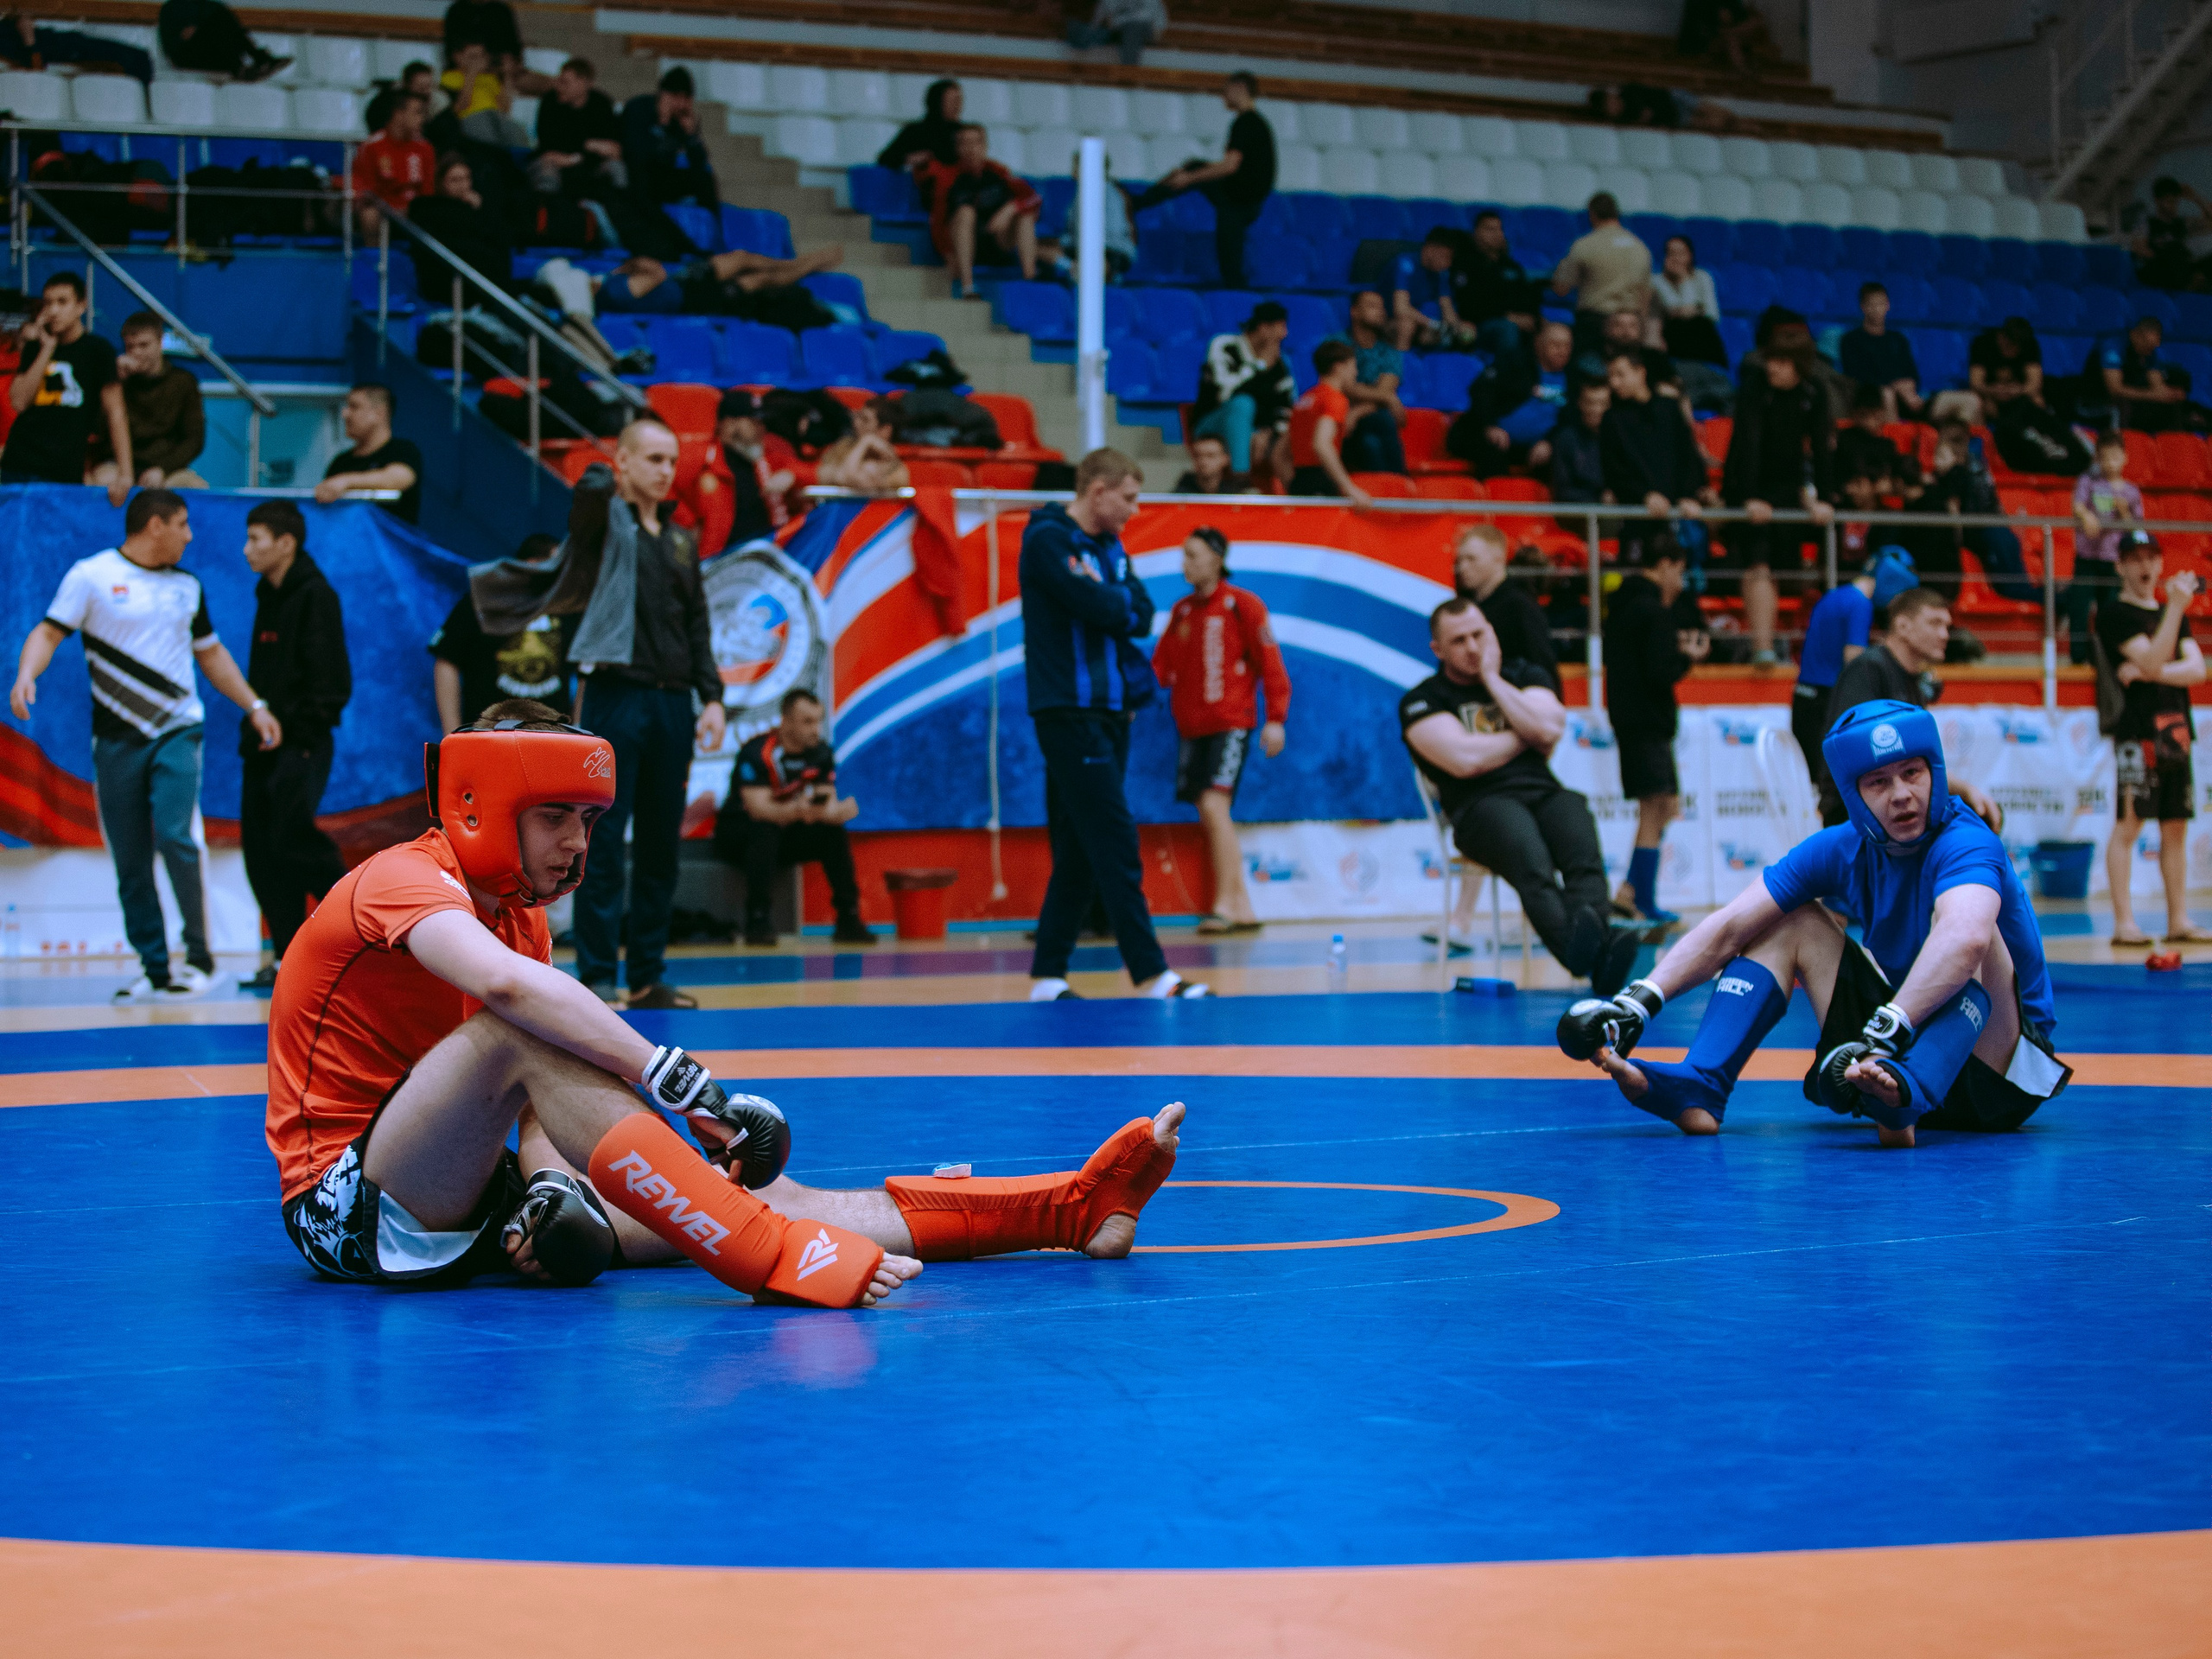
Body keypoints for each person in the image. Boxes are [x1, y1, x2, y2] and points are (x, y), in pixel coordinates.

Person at [267, 699, 1189, 1300]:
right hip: (343, 1207)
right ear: (475, 805)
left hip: (461, 1193)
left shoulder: (523, 923)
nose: (575, 845)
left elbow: (541, 1082)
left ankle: (1066, 1209)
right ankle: (770, 1263)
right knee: (533, 1025)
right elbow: (514, 1011)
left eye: (586, 820)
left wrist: (551, 1185)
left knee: (772, 1191)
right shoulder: (399, 882)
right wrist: (675, 1082)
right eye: (552, 816)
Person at [1558, 699, 2067, 1145]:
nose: (1901, 795)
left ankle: (1904, 1092)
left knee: (1977, 937)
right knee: (1790, 919)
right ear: (1854, 795)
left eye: (1912, 773)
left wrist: (1886, 1029)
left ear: (1935, 772)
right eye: (1878, 782)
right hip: (1886, 1053)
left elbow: (1966, 935)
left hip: (1996, 1072)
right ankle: (1702, 1083)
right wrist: (1638, 1003)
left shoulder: (1967, 840)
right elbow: (1732, 925)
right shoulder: (1841, 849)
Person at [474, 423, 726, 1009]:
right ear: (628, 464)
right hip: (614, 692)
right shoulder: (606, 525)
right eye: (653, 459)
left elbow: (697, 626)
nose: (666, 470)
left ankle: (647, 973)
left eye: (672, 460)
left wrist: (710, 695)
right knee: (599, 837)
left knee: (662, 840)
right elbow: (585, 507)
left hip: (671, 700)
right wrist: (595, 480)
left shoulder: (683, 541)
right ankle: (597, 972)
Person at [10, 491, 280, 1001]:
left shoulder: (188, 587)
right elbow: (47, 633)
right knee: (129, 856)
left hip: (178, 730)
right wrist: (27, 674)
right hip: (115, 738)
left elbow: (212, 654)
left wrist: (255, 705)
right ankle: (155, 968)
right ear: (155, 525)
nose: (190, 535)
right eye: (182, 524)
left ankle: (199, 958)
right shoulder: (90, 576)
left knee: (177, 834)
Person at [1023, 449, 1208, 1002]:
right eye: (1127, 497)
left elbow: (1139, 610)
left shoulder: (1109, 547)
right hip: (1068, 712)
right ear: (1097, 490)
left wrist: (1111, 603)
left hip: (1109, 710)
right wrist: (1111, 603)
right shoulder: (1047, 540)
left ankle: (1047, 975)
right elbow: (1099, 606)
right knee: (1114, 836)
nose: (1133, 508)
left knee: (1082, 845)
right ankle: (1151, 972)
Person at [1402, 598, 1637, 994]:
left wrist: (1494, 681)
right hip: (1479, 807)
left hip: (1543, 793)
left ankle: (1591, 955)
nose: (1473, 648)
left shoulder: (1522, 674)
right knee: (1530, 856)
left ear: (1492, 632)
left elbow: (1548, 729)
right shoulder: (1422, 700)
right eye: (1459, 641)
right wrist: (1526, 733)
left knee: (1576, 820)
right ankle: (1588, 955)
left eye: (1479, 635)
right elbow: (1465, 761)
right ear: (1437, 650)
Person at [234, 500, 351, 992]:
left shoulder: (315, 595)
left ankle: (354, 927)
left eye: (256, 539)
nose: (247, 550)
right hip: (261, 744)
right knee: (260, 849)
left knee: (293, 838)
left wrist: (300, 732)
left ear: (287, 543)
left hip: (301, 742)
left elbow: (332, 681)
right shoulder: (269, 594)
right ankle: (286, 955)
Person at [1152, 526, 1290, 935]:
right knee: (1209, 810)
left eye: (1193, 555)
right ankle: (1241, 905)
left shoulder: (1242, 605)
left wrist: (1276, 719)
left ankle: (1228, 904)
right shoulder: (1182, 612)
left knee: (1214, 805)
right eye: (1183, 556)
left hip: (1231, 723)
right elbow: (1161, 665)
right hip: (1192, 727)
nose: (1185, 564)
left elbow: (1271, 664)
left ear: (1216, 558)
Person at [2097, 534, 2208, 947]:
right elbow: (2156, 657)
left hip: (2175, 729)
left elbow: (2196, 670)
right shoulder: (2114, 614)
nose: (2143, 566)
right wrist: (2176, 610)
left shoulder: (2170, 614)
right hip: (2136, 732)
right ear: (2120, 566)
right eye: (2133, 558)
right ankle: (2125, 922)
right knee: (2128, 824)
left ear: (2160, 564)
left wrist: (2148, 670)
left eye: (2150, 557)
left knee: (2175, 826)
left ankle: (2178, 918)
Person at [1821, 586, 2002, 834]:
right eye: (1934, 623)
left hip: (1894, 810)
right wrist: (1962, 789)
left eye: (1947, 626)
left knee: (1978, 820)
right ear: (1903, 626)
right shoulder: (1868, 669)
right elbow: (1865, 753)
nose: (1944, 635)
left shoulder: (1913, 679)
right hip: (1856, 819)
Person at [714, 688, 873, 947]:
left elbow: (825, 802)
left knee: (832, 833)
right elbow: (759, 809)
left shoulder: (820, 753)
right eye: (807, 722)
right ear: (785, 722)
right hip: (739, 835)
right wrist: (802, 811)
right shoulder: (757, 752)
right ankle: (758, 920)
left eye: (818, 721)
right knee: (765, 829)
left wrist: (839, 812)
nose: (815, 729)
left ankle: (848, 918)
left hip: (784, 832)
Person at [1604, 535, 1707, 925]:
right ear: (1663, 565)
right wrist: (1688, 658)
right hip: (1647, 721)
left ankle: (1630, 892)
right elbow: (1661, 672)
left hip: (1632, 720)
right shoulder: (1654, 612)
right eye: (1679, 572)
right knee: (1656, 808)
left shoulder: (1621, 607)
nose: (1680, 584)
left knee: (1664, 806)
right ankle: (1640, 899)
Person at [1720, 345, 1834, 665]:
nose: (1773, 367)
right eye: (1772, 359)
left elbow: (1821, 447)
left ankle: (1801, 647)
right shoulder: (1755, 390)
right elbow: (1746, 444)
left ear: (1798, 366)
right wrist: (1747, 496)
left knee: (1791, 572)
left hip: (1788, 490)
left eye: (1782, 360)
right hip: (1750, 487)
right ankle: (1763, 648)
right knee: (1758, 565)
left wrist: (1823, 497)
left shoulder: (1813, 393)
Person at [1792, 547, 1918, 802]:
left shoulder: (1834, 595)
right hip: (1825, 702)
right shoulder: (1860, 604)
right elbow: (1855, 661)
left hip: (1804, 696)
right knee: (1832, 790)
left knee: (1814, 787)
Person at [1137, 72, 1274, 289]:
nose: (1223, 96)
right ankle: (1139, 202)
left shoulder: (1246, 123)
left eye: (1226, 90)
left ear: (1239, 88)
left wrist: (1188, 178)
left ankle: (1137, 203)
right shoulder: (1256, 123)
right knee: (1230, 264)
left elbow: (1230, 165)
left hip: (1237, 202)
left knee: (1230, 267)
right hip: (1241, 200)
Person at [3, 271, 130, 506]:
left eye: (62, 302)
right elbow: (19, 402)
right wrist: (46, 350)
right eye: (48, 303)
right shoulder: (35, 348)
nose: (53, 310)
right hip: (18, 463)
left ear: (81, 306)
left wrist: (125, 473)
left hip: (63, 468)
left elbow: (116, 413)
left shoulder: (98, 351)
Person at [430, 533, 569, 733]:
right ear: (529, 564)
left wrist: (579, 725)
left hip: (552, 736)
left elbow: (586, 668)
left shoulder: (566, 605)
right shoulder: (481, 601)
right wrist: (451, 732)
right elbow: (446, 659)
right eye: (553, 566)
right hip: (487, 733)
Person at [1599, 346, 1707, 565]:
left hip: (1678, 516)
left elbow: (1688, 456)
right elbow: (1614, 471)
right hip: (1637, 518)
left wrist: (1689, 495)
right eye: (1611, 376)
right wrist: (1644, 496)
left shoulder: (1669, 408)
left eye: (1621, 374)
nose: (1614, 383)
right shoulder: (1611, 419)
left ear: (1640, 372)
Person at [669, 389, 796, 559]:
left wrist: (792, 474)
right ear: (728, 423)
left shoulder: (768, 456)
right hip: (716, 564)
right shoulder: (700, 457)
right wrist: (687, 523)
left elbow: (818, 472)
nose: (761, 428)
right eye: (753, 421)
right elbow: (662, 487)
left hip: (764, 563)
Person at [92, 312, 205, 492]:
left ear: (160, 342)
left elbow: (194, 439)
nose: (137, 352)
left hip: (168, 468)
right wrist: (115, 382)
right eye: (130, 346)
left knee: (194, 487)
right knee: (101, 482)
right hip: (119, 464)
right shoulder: (116, 382)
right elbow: (97, 430)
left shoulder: (183, 382)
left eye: (144, 345)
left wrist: (163, 468)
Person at [1448, 319, 1573, 480]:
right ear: (1538, 344)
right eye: (1555, 345)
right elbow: (1481, 390)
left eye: (1567, 346)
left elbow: (1572, 419)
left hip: (1538, 448)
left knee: (1563, 457)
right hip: (1493, 438)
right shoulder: (1515, 363)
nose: (1562, 351)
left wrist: (1550, 442)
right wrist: (1490, 425)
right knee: (1492, 451)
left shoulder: (1574, 378)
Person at [928, 124, 1041, 296]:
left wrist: (1010, 209)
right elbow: (937, 221)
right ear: (957, 148)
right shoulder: (947, 179)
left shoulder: (998, 173)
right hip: (964, 245)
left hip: (998, 239)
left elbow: (1034, 198)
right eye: (965, 143)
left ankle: (1031, 281)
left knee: (1023, 216)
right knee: (966, 212)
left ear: (985, 146)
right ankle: (968, 287)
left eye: (976, 143)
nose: (971, 149)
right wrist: (947, 253)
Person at [1192, 300, 1294, 477]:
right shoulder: (1224, 345)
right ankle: (1241, 478)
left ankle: (1299, 492)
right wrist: (1259, 366)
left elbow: (1285, 405)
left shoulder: (1280, 363)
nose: (1285, 335)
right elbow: (1225, 394)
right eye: (1281, 328)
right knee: (1242, 404)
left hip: (1259, 431)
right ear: (1263, 328)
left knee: (1292, 428)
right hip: (1212, 423)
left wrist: (1268, 431)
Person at [2068, 430, 2142, 664]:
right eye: (2105, 458)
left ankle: (2107, 655)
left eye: (2115, 457)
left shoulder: (2131, 491)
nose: (2110, 463)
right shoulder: (2088, 482)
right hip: (2087, 557)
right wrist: (2087, 515)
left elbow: (2137, 528)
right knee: (2079, 607)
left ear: (2125, 458)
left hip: (2113, 560)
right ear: (2098, 458)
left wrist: (2124, 513)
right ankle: (2078, 656)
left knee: (2109, 610)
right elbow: (2077, 506)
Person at [1550, 193, 1650, 356]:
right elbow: (1645, 295)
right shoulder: (1640, 248)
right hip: (1631, 325)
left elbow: (1561, 289)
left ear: (1592, 214)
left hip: (1594, 324)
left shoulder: (1584, 245)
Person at [1453, 521, 1556, 676]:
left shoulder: (1520, 607)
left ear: (1498, 558)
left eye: (1471, 559)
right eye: (1460, 560)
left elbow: (1544, 669)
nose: (1462, 567)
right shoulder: (1470, 605)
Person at [408, 152, 513, 302]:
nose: (463, 185)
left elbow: (500, 238)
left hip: (485, 280)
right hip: (447, 280)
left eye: (466, 178)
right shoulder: (426, 209)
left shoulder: (479, 209)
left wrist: (480, 210)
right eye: (455, 180)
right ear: (441, 182)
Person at [1323, 290, 1408, 474]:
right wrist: (1389, 398)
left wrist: (1356, 412)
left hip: (1364, 422)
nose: (1381, 312)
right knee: (1381, 422)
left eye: (1382, 307)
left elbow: (1384, 391)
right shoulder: (1337, 344)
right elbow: (1342, 385)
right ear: (1355, 311)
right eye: (1372, 306)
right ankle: (1399, 487)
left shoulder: (1389, 351)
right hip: (1337, 422)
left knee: (1372, 441)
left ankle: (1393, 490)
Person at [315, 383, 423, 524]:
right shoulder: (341, 462)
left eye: (354, 407)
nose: (345, 414)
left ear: (379, 413)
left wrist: (346, 481)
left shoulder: (403, 450)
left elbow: (400, 477)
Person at [621, 67, 717, 216]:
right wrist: (662, 124)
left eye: (685, 99)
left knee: (704, 179)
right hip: (636, 174)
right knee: (642, 176)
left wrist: (691, 136)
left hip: (664, 176)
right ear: (664, 94)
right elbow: (636, 152)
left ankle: (713, 226)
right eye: (676, 97)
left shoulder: (682, 119)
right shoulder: (639, 108)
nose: (680, 104)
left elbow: (699, 163)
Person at [1284, 341, 1370, 506]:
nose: (1356, 373)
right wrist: (1350, 488)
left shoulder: (1304, 401)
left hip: (1299, 481)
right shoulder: (1335, 399)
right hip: (1321, 483)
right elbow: (1322, 444)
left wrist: (1294, 488)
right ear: (1339, 367)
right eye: (1353, 367)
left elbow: (1279, 454)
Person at [1838, 281, 1935, 423]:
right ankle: (1893, 444)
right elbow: (1856, 377)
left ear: (1888, 305)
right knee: (1887, 394)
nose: (1877, 309)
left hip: (1906, 397)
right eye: (1872, 304)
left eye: (1881, 304)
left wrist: (1908, 386)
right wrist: (1895, 385)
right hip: (1871, 398)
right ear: (1863, 307)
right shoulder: (1851, 340)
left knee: (1963, 400)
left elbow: (1913, 374)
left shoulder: (1898, 340)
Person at [533, 57, 626, 201]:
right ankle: (546, 217)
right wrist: (589, 145)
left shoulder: (601, 103)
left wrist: (575, 157)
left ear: (583, 83)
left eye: (565, 83)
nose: (559, 87)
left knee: (616, 168)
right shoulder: (551, 101)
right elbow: (548, 143)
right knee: (547, 172)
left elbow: (612, 148)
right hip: (558, 162)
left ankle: (620, 215)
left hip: (587, 164)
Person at [351, 92, 436, 238]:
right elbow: (365, 190)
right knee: (369, 214)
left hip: (415, 211)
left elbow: (428, 191)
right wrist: (391, 208)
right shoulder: (373, 146)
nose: (421, 119)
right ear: (398, 114)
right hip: (384, 211)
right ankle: (374, 257)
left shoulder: (425, 148)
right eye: (417, 113)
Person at [2098, 315, 2202, 435]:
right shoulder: (2113, 345)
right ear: (2136, 335)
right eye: (2148, 344)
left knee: (2172, 405)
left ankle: (2171, 444)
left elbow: (2157, 386)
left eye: (2154, 345)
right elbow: (2114, 389)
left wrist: (2171, 394)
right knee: (2124, 406)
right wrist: (2154, 395)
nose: (2152, 348)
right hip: (2098, 399)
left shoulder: (2149, 351)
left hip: (2131, 396)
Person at [1460, 210, 1538, 362]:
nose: (1496, 234)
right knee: (1508, 329)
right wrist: (1508, 317)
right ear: (1476, 233)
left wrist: (1535, 318)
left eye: (1499, 229)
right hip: (1480, 327)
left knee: (1555, 331)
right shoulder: (1466, 264)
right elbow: (1469, 306)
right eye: (1489, 229)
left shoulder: (1512, 267)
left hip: (1517, 323)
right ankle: (1506, 377)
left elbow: (1528, 296)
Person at [1391, 229, 1475, 353]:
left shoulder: (1442, 273)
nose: (1448, 263)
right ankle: (1401, 368)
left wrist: (1458, 328)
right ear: (1430, 249)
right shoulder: (1405, 263)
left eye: (1450, 259)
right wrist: (1433, 324)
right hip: (1393, 321)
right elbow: (1401, 308)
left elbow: (1447, 308)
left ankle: (1455, 368)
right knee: (1406, 325)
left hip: (1426, 324)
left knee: (1469, 330)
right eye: (1445, 257)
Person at [1649, 234, 1724, 367]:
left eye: (1681, 253)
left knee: (1700, 326)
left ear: (1690, 256)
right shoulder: (1656, 281)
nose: (1676, 258)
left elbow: (1713, 314)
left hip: (1700, 337)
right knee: (1682, 325)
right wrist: (1696, 308)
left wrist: (1684, 279)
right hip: (1672, 335)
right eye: (1671, 253)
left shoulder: (1702, 277)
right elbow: (1673, 309)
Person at [156, 0, 284, 78]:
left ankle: (256, 59)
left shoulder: (208, 6)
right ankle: (247, 63)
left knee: (221, 16)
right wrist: (184, 36)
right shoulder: (170, 9)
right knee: (219, 18)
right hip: (189, 58)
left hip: (215, 55)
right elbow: (171, 48)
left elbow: (232, 32)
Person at [878, 79, 963, 194]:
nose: (957, 106)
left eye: (959, 101)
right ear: (937, 102)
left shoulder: (964, 133)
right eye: (952, 101)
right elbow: (885, 159)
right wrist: (910, 158)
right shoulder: (916, 131)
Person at [814, 396, 909, 496]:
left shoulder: (893, 465)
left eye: (865, 420)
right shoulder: (843, 446)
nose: (856, 423)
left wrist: (866, 441)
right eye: (857, 417)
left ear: (885, 430)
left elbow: (848, 477)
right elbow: (821, 475)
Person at [2132, 176, 2210, 292]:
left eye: (2176, 202)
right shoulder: (2147, 224)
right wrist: (2166, 259)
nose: (2174, 206)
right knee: (2174, 248)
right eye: (2170, 202)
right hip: (2158, 270)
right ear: (2157, 200)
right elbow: (2140, 249)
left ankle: (2192, 286)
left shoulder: (2182, 223)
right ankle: (2189, 286)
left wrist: (2196, 198)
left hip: (2182, 269)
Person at [1833, 382, 1907, 492]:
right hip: (1849, 492)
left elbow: (1896, 473)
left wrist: (1889, 482)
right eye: (1865, 415)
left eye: (1875, 416)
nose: (1870, 422)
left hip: (1881, 497)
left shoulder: (1887, 445)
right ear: (1854, 414)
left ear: (1882, 414)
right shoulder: (1844, 439)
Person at [1548, 379, 1610, 507]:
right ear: (1580, 403)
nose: (1596, 409)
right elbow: (1562, 491)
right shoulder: (1565, 438)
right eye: (1590, 403)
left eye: (1602, 403)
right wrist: (1599, 499)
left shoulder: (1619, 438)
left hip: (1618, 512)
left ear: (1609, 406)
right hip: (1578, 515)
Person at [1967, 315, 2044, 417]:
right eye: (2010, 345)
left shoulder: (2029, 345)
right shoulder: (1982, 344)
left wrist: (2017, 391)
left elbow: (2034, 383)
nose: (2014, 351)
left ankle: (2037, 431)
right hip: (1989, 393)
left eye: (2018, 347)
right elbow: (1976, 382)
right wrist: (1993, 391)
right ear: (2002, 337)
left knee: (2037, 400)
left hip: (2018, 394)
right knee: (1977, 402)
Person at [1065, 0, 1164, 63]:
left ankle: (1129, 72)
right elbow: (1097, 21)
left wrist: (1156, 33)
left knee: (1133, 29)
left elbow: (1159, 24)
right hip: (1118, 31)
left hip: (1140, 29)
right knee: (1078, 28)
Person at [365, 60, 436, 142]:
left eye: (429, 87)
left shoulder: (435, 104)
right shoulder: (386, 103)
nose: (426, 92)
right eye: (421, 87)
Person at [1173, 431, 1249, 495]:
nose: (1203, 462)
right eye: (1197, 456)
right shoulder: (1178, 497)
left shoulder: (1236, 496)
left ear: (1225, 459)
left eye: (1210, 456)